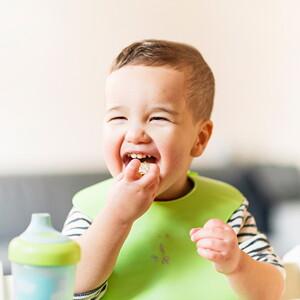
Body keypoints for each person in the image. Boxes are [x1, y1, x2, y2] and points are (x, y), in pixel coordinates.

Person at [62, 40, 285, 300]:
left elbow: (273, 291)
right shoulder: (90, 208)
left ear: (199, 138)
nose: (134, 133)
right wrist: (117, 216)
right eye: (118, 117)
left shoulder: (228, 209)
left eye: (158, 118)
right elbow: (68, 287)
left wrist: (238, 265)